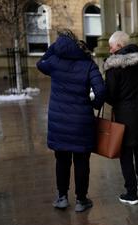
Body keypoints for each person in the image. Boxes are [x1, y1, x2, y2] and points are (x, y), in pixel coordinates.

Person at [37, 29, 105, 212]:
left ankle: (62, 197)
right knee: (82, 161)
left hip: (59, 121)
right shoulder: (88, 64)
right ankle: (81, 200)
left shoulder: (54, 62)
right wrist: (95, 105)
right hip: (82, 121)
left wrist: (53, 48)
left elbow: (40, 62)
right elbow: (101, 91)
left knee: (62, 160)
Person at [104, 31, 138, 205]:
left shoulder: (114, 66)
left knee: (125, 154)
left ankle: (131, 194)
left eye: (112, 46)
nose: (110, 51)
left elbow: (110, 95)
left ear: (120, 46)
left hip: (125, 115)